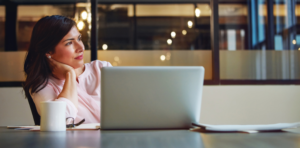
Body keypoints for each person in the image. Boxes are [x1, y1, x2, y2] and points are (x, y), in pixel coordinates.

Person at [23, 15, 112, 124]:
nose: (81, 48)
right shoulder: (42, 85)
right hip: (81, 141)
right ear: (49, 52)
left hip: (119, 139)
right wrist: (69, 74)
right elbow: (62, 120)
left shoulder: (101, 69)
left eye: (79, 38)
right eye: (69, 43)